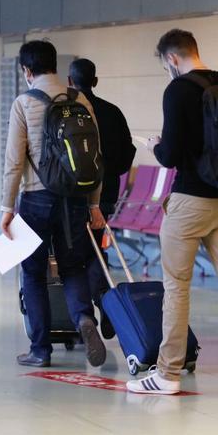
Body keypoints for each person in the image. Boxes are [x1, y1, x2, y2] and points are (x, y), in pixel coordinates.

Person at [126, 29, 218, 400]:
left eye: (165, 66)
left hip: (190, 202)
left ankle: (167, 373)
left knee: (176, 286)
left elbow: (173, 156)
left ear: (172, 58)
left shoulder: (178, 91)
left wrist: (156, 146)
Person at [1, 40, 107, 368]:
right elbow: (94, 158)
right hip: (75, 199)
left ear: (26, 70)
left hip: (36, 199)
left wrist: (6, 209)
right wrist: (93, 205)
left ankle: (40, 349)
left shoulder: (24, 103)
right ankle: (83, 319)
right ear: (56, 66)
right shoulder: (80, 99)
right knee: (72, 266)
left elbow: (14, 162)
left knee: (32, 274)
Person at [68, 58, 136, 340]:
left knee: (74, 256)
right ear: (95, 81)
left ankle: (84, 314)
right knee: (96, 250)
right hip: (106, 194)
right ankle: (107, 299)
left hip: (73, 196)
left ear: (70, 82)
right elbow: (127, 155)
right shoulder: (113, 112)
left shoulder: (67, 111)